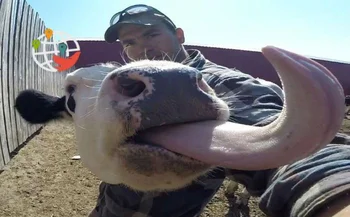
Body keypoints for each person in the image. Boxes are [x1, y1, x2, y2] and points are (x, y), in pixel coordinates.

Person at [89, 4, 350, 217]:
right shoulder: (130, 84)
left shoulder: (217, 83)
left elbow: (288, 146)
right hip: (110, 204)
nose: (142, 49)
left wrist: (334, 193)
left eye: (151, 35)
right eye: (129, 42)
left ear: (179, 36)